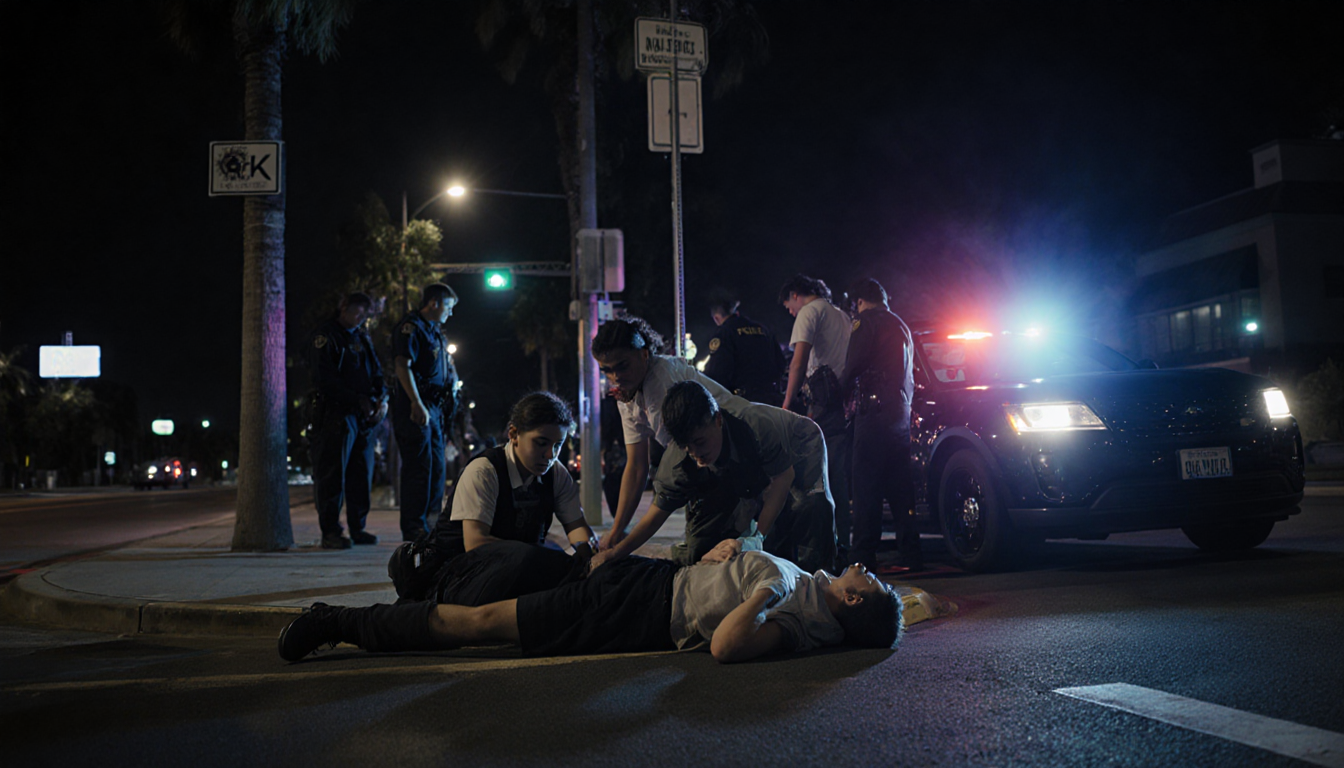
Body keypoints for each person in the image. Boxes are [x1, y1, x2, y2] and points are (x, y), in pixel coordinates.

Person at [277, 542, 904, 664]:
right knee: (508, 577)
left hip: (632, 615)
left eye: (869, 580)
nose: (866, 569)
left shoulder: (800, 624)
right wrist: (737, 547)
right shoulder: (809, 585)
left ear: (850, 600)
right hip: (648, 580)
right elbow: (743, 573)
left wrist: (767, 588)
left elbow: (726, 645)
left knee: (476, 625)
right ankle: (418, 587)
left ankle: (333, 623)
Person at [591, 380, 837, 572]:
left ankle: (818, 588)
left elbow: (783, 478)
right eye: (687, 446)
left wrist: (757, 537)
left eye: (699, 442)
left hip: (798, 445)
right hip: (741, 470)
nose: (696, 453)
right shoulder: (680, 459)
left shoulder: (756, 427)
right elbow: (656, 514)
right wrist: (615, 553)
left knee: (809, 510)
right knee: (703, 546)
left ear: (717, 420)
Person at [390, 392, 601, 602]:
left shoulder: (555, 473)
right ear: (514, 434)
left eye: (557, 445)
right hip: (456, 575)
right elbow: (476, 542)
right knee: (546, 566)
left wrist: (587, 554)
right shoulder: (484, 470)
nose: (550, 454)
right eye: (541, 443)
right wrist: (546, 559)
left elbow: (576, 526)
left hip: (516, 569)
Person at [591, 316, 751, 559]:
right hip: (712, 461)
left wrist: (621, 549)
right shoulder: (628, 392)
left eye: (622, 366)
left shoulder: (660, 381)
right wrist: (617, 530)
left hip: (741, 449)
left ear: (644, 354)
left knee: (704, 553)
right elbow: (636, 467)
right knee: (702, 551)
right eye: (607, 370)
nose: (615, 377)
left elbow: (679, 468)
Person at [840, 278, 921, 571]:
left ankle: (862, 558)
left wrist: (839, 396)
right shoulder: (901, 324)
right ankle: (911, 553)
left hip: (872, 416)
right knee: (901, 489)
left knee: (866, 488)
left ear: (860, 302)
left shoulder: (866, 322)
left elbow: (853, 367)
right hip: (899, 416)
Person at [778, 274, 854, 562]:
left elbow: (798, 362)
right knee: (839, 478)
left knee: (819, 479)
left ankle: (827, 550)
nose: (790, 311)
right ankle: (843, 545)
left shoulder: (809, 312)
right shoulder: (841, 315)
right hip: (843, 403)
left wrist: (786, 404)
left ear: (796, 294)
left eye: (788, 305)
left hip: (821, 404)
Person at [309, 292, 387, 549]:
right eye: (358, 312)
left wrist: (380, 398)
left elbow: (376, 372)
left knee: (360, 474)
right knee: (332, 476)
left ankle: (358, 527)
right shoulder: (327, 335)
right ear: (343, 307)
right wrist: (357, 399)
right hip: (336, 415)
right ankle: (330, 531)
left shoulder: (361, 337)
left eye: (365, 314)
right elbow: (325, 379)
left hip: (363, 417)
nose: (362, 318)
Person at [392, 283, 460, 542]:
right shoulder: (411, 328)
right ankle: (413, 527)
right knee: (418, 468)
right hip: (416, 405)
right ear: (434, 303)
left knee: (436, 468)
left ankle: (430, 524)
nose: (449, 313)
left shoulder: (435, 332)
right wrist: (416, 402)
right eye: (448, 307)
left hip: (434, 408)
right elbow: (402, 365)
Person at [704, 296, 787, 407]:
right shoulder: (762, 329)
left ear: (716, 318)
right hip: (772, 399)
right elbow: (781, 363)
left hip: (743, 403)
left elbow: (718, 373)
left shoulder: (724, 333)